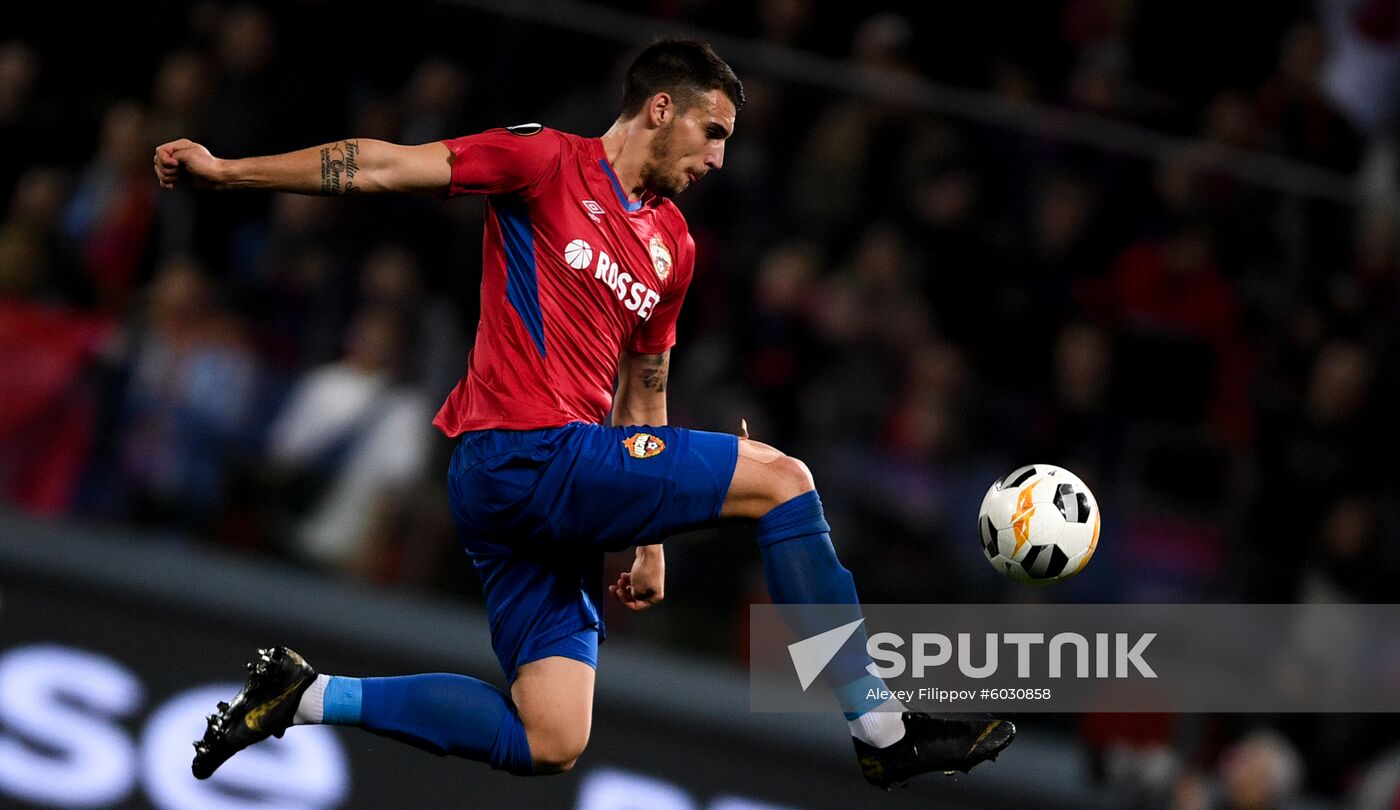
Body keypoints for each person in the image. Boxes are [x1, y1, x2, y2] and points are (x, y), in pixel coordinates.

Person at [154, 39, 1013, 790]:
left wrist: (646, 542)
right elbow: (382, 164)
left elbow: (645, 388)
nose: (719, 159)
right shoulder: (543, 160)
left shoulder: (673, 246)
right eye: (712, 133)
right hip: (519, 453)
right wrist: (233, 172)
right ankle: (883, 732)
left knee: (552, 737)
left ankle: (304, 696)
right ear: (661, 108)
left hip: (546, 492)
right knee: (786, 483)